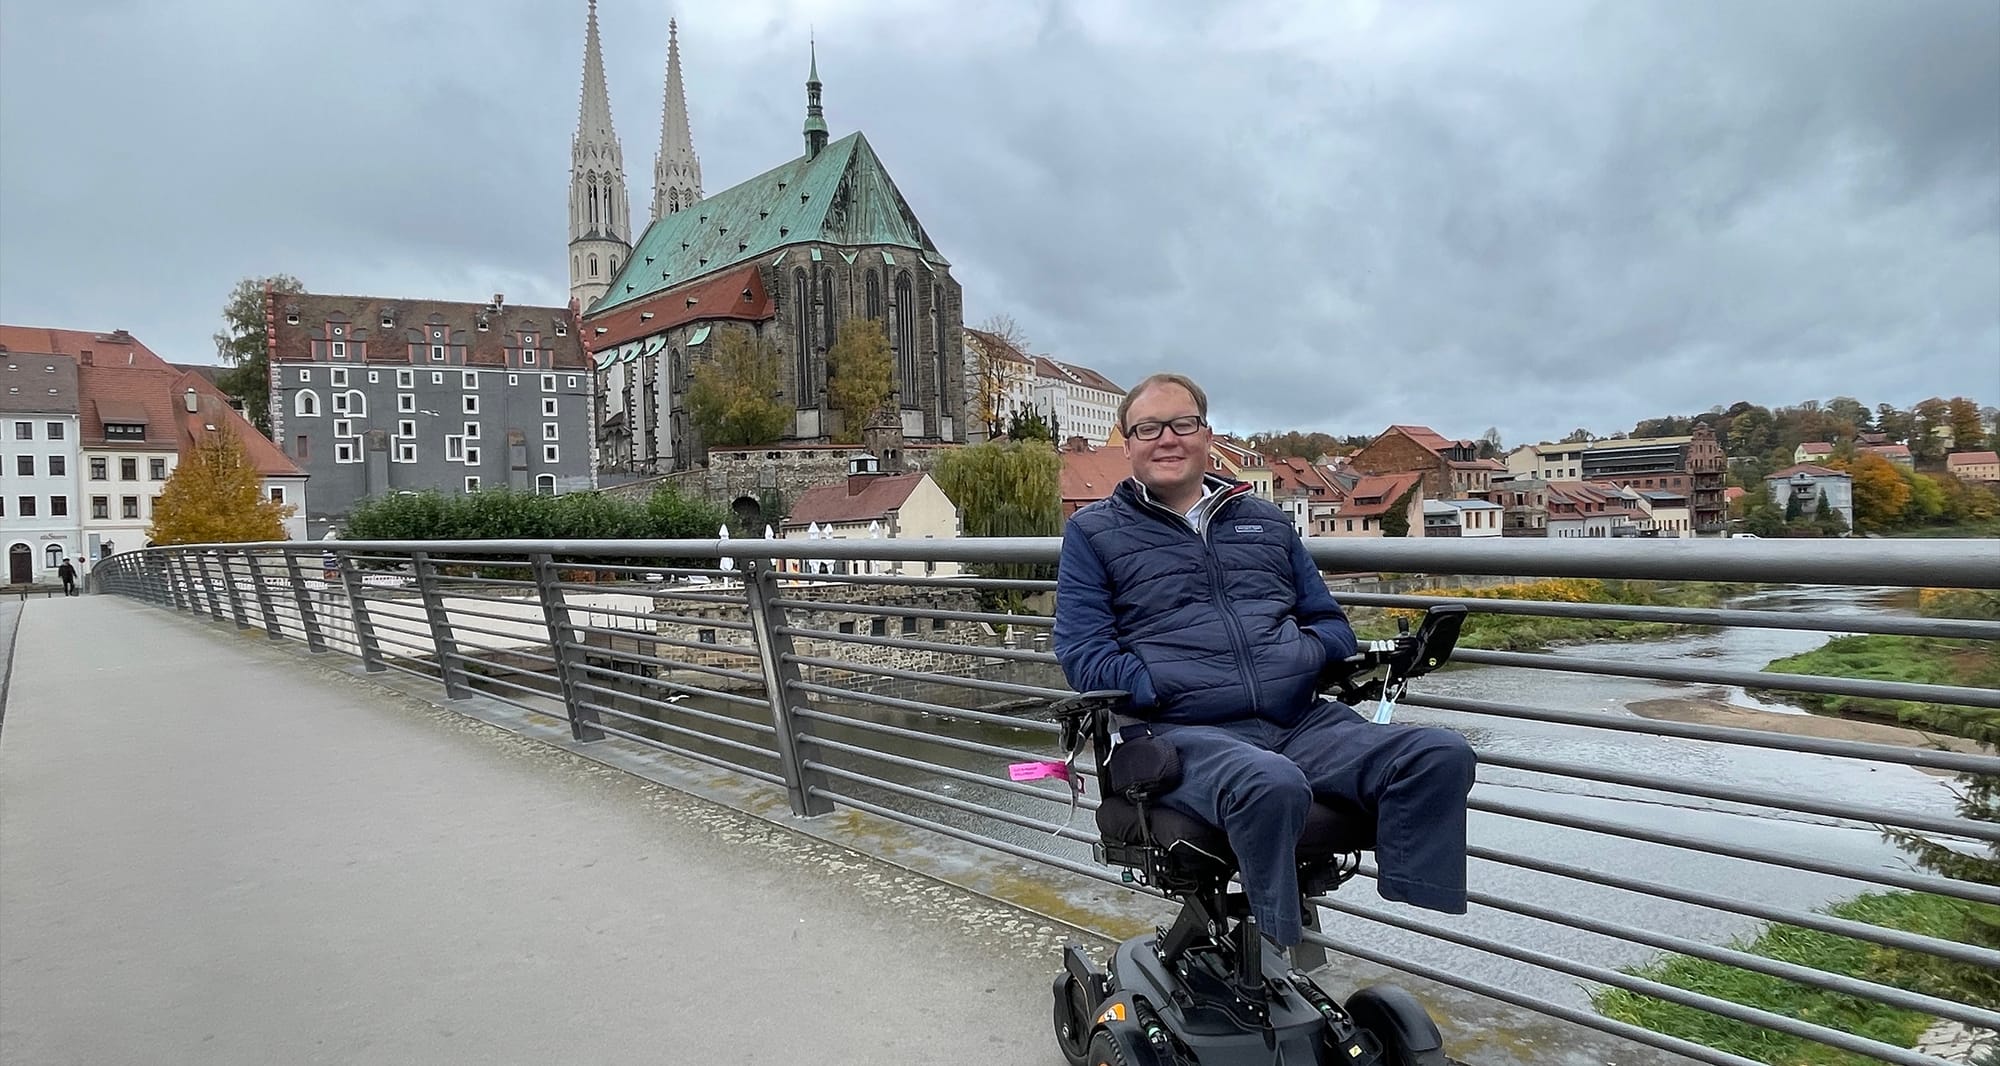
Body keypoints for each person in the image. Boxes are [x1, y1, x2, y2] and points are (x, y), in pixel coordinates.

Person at [1053, 372, 1476, 952]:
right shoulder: (1094, 532)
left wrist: (1297, 657)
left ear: (1207, 435)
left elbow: (1329, 625)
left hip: (1298, 721)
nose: (1167, 439)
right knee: (1268, 783)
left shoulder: (1266, 522)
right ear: (1127, 444)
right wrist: (1160, 684)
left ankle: (1415, 910)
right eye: (1148, 428)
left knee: (1438, 754)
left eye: (1183, 424)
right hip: (1182, 732)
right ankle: (1278, 947)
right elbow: (1084, 654)